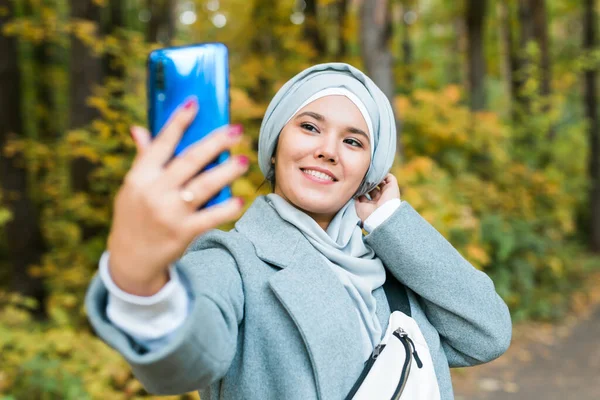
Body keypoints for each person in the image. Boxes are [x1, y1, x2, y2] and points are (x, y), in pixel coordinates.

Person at [85, 63, 512, 400]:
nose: (327, 150)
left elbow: (486, 334)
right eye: (309, 127)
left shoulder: (395, 268)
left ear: (371, 169)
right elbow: (182, 363)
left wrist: (389, 220)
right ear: (275, 144)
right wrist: (139, 281)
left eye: (353, 142)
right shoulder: (231, 260)